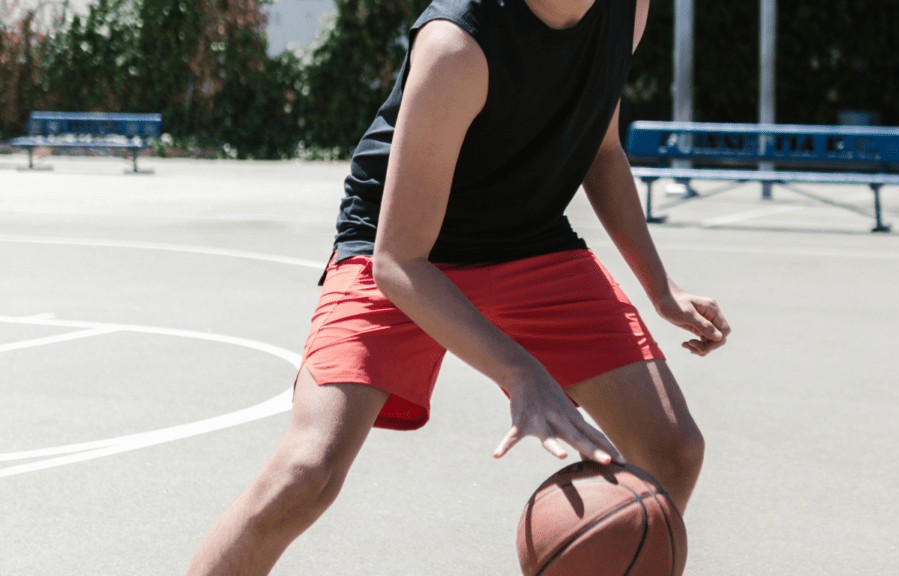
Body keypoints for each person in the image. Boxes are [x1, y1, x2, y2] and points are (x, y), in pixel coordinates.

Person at [187, 0, 730, 573]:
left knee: (673, 451)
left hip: (529, 238)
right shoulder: (457, 43)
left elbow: (602, 149)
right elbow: (398, 261)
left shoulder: (627, 10)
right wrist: (520, 372)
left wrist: (660, 286)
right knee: (306, 472)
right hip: (405, 245)